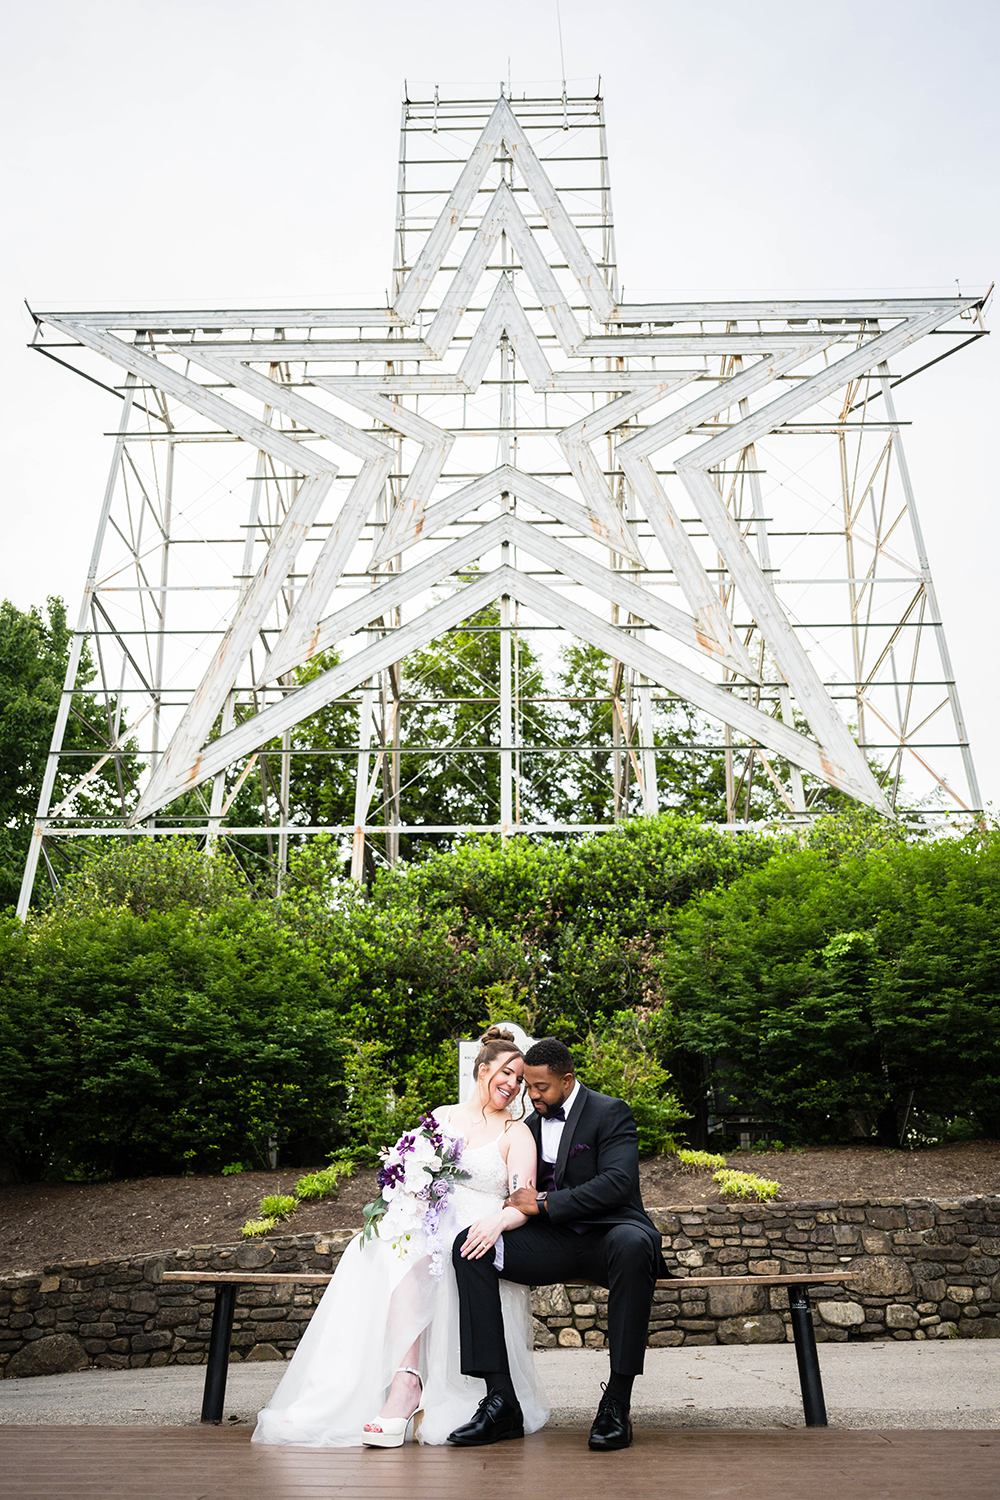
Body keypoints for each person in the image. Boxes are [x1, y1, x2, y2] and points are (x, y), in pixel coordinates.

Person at [251, 1027, 548, 1448]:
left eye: (519, 1079)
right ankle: (403, 1379)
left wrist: (498, 1222)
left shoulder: (516, 1132)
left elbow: (523, 1201)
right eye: (507, 1073)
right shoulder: (442, 1116)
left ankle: (415, 1387)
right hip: (429, 1217)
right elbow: (414, 1169)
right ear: (482, 1071)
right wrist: (409, 1193)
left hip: (478, 1225)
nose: (513, 1084)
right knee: (380, 1246)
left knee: (436, 1253)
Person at [448, 1036, 668, 1452]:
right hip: (552, 1244)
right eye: (527, 1087)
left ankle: (617, 1404)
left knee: (634, 1245)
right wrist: (497, 1220)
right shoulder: (529, 1126)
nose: (531, 1096)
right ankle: (501, 1402)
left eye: (540, 1087)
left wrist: (547, 1202)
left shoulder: (610, 1111)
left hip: (610, 1236)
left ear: (566, 1080)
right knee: (470, 1247)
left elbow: (619, 1183)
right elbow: (517, 1190)